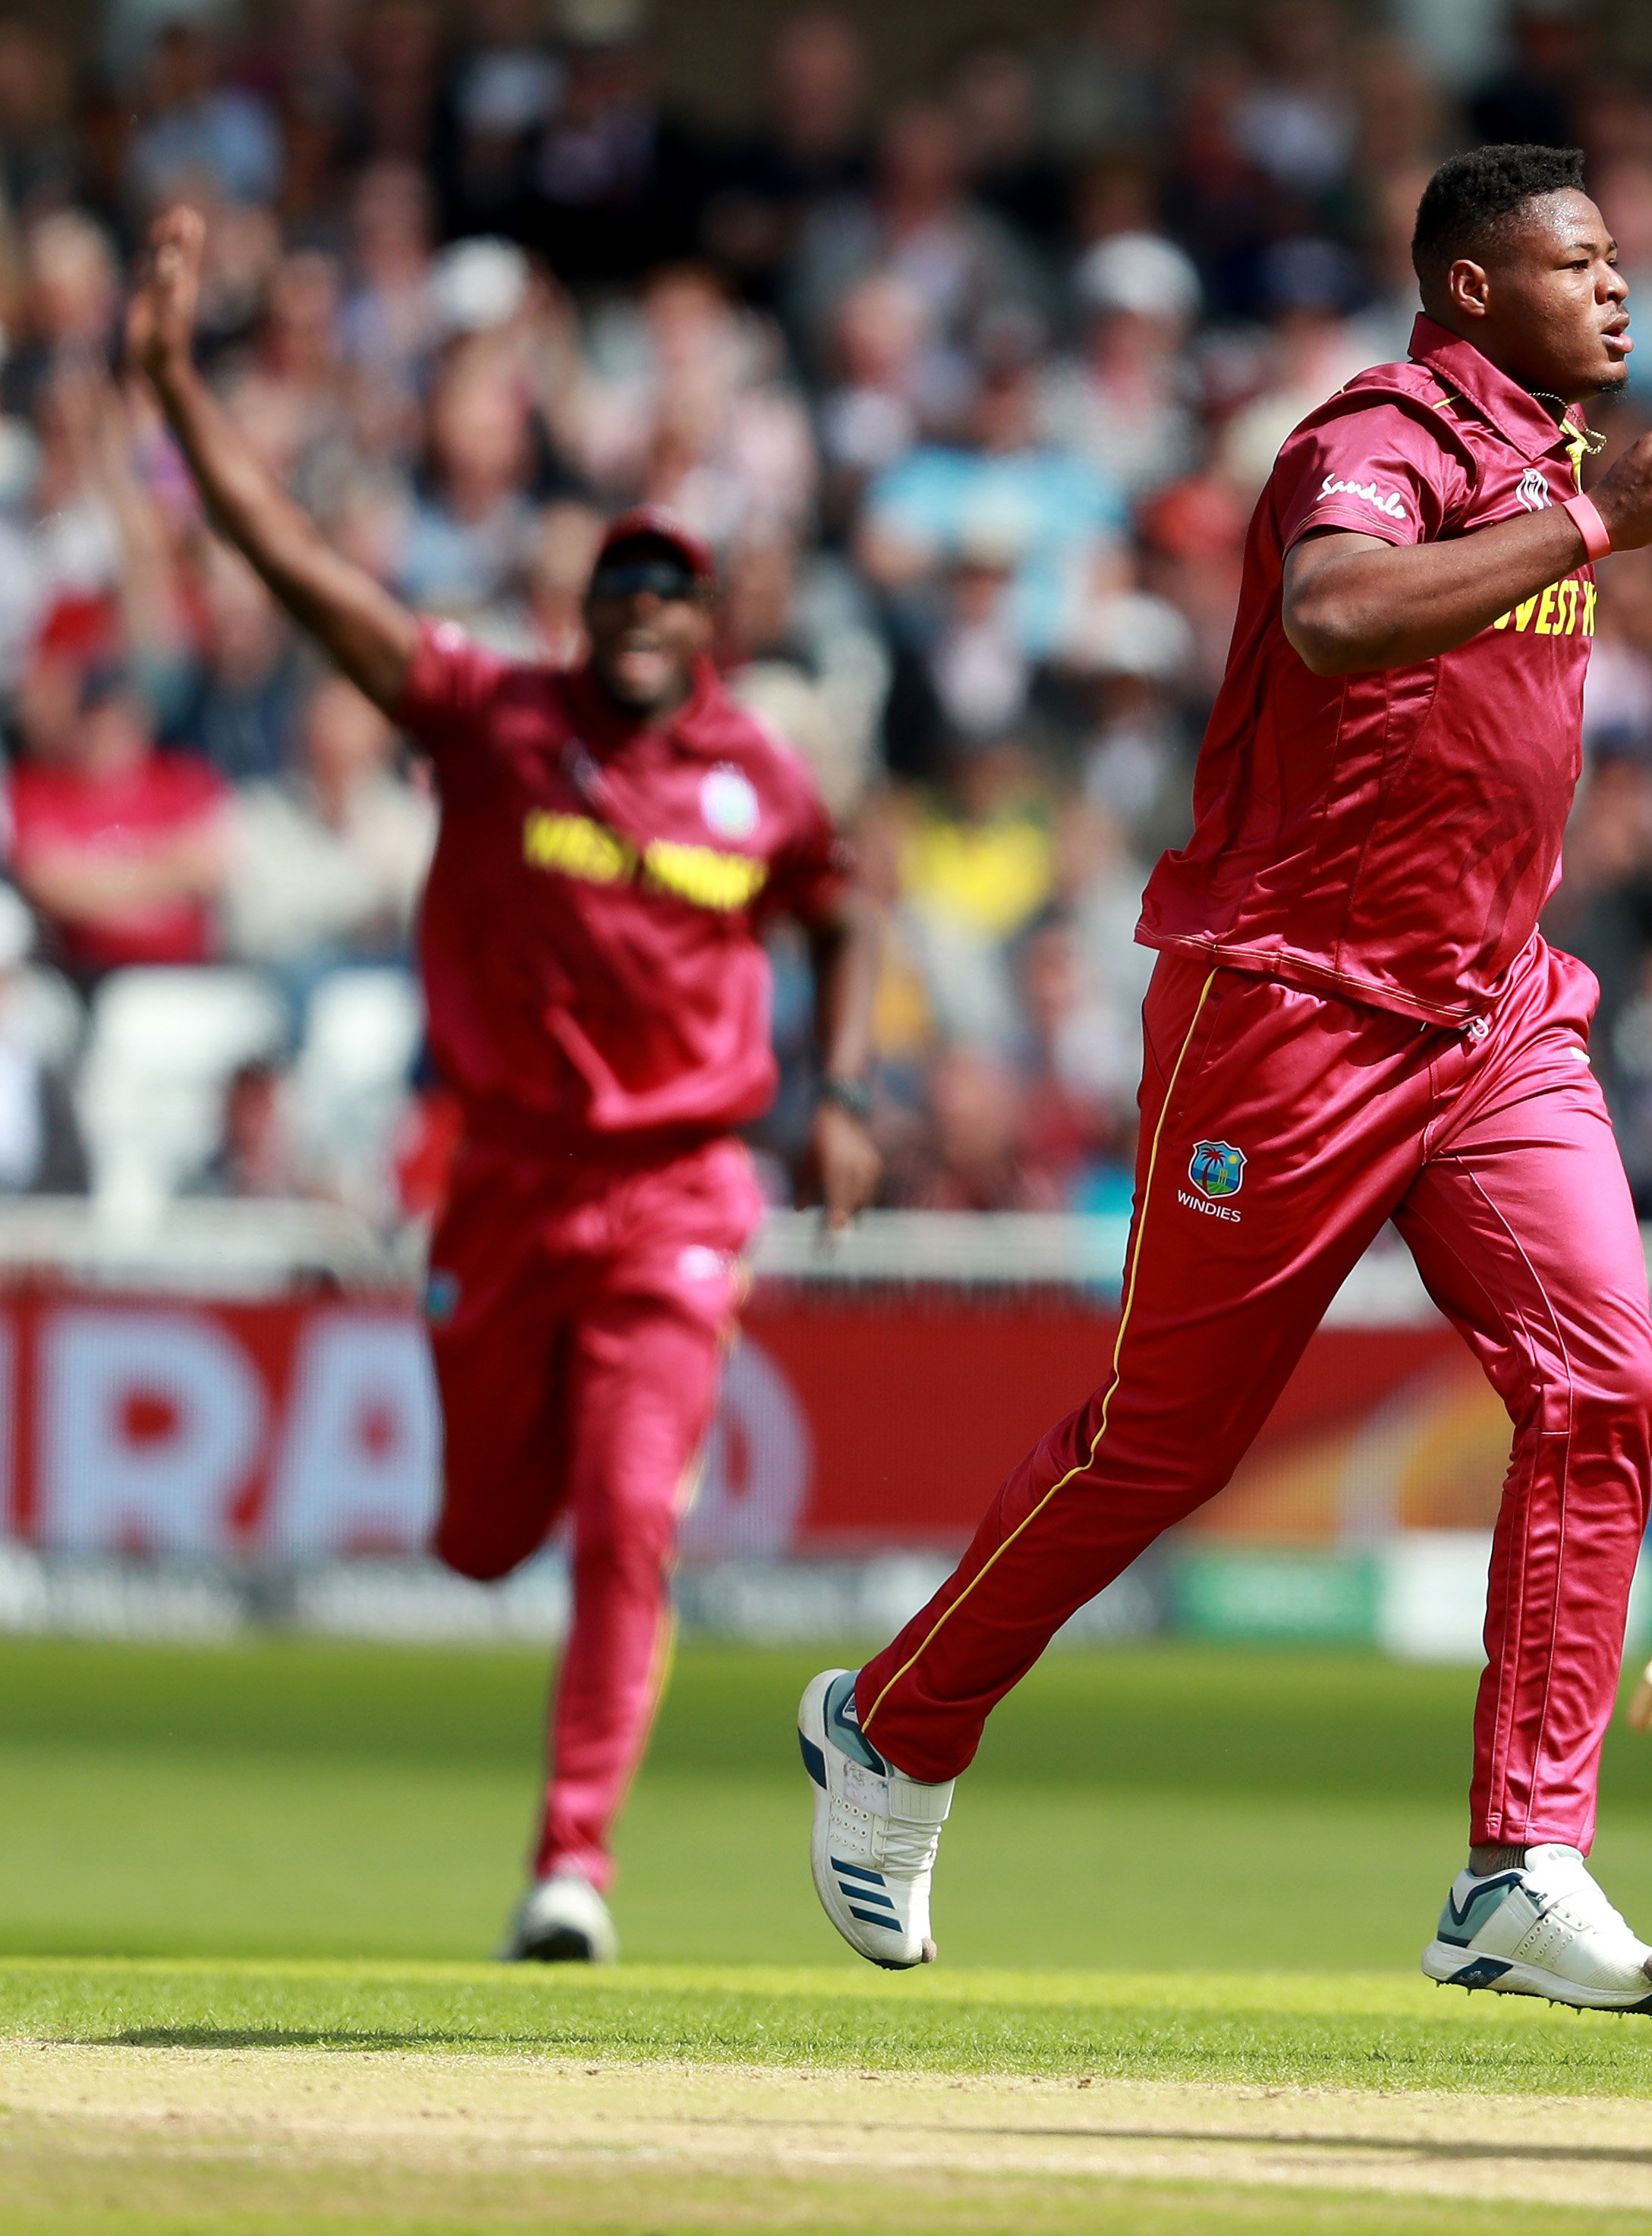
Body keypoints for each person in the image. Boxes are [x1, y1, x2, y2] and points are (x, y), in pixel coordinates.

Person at [798, 145, 1652, 2017]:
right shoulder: (1370, 433)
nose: (1618, 292)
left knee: (1604, 1377)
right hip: (1290, 1009)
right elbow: (1330, 615)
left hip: (1492, 1019)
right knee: (1170, 1440)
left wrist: (1583, 515)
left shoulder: (1557, 467)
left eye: (1622, 262)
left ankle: (1517, 1863)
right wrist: (1590, 529)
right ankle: (892, 1732)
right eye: (1577, 263)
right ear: (1472, 290)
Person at [125, 206, 883, 1965]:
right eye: (618, 584)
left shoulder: (758, 777)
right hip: (504, 1180)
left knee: (630, 1515)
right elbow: (304, 569)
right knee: (479, 1543)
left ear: (706, 618)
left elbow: (846, 914)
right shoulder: (490, 714)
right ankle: (522, 1560)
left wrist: (838, 1088)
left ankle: (573, 1866)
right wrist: (170, 386)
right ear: (584, 605)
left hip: (684, 1190)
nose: (639, 609)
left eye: (668, 589)